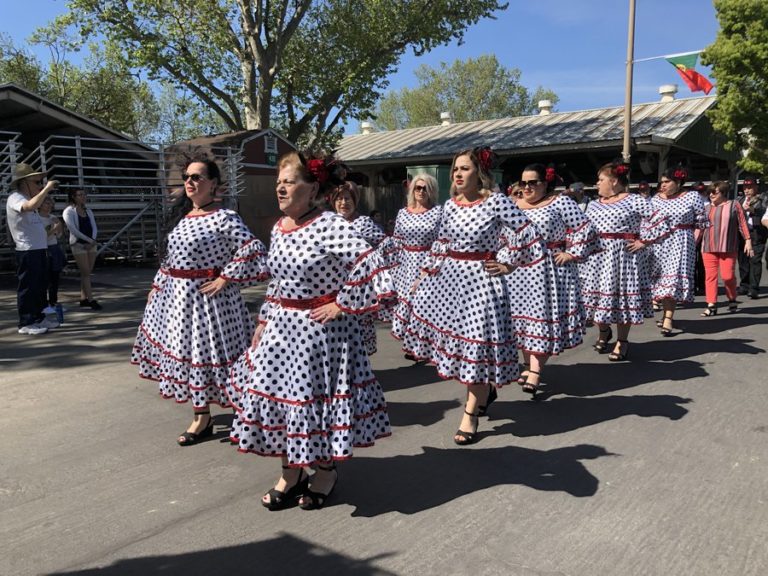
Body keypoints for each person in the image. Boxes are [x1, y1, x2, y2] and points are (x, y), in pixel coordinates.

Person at [226, 152, 393, 511]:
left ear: (313, 187)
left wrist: (342, 303)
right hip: (280, 332)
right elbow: (278, 281)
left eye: (289, 181)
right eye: (278, 183)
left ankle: (325, 471)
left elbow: (373, 262)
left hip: (320, 336)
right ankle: (291, 471)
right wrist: (263, 320)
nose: (281, 188)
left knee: (313, 404)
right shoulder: (280, 227)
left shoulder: (331, 225)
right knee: (280, 402)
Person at [395, 147, 545, 445]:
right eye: (455, 170)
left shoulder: (496, 202)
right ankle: (484, 392)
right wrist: (424, 276)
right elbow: (440, 243)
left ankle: (470, 415)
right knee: (463, 352)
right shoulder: (449, 206)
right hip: (450, 285)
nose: (458, 174)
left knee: (475, 352)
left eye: (464, 168)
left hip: (481, 286)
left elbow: (529, 233)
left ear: (480, 173)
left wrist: (509, 263)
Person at [131, 155, 268, 446]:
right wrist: (157, 287)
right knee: (192, 357)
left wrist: (225, 277)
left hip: (211, 304)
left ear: (214, 184)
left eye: (197, 177)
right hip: (179, 300)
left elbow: (253, 250)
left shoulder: (224, 217)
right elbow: (170, 260)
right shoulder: (183, 219)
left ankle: (244, 413)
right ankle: (201, 417)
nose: (190, 182)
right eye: (187, 178)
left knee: (219, 356)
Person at [509, 164, 599, 394]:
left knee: (540, 318)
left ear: (545, 183)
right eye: (523, 182)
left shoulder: (560, 202)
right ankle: (530, 365)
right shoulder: (512, 206)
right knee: (522, 322)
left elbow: (585, 228)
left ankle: (536, 371)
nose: (527, 187)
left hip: (548, 272)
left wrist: (571, 253)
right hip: (518, 272)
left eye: (533, 182)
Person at [580, 161, 669, 361]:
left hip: (623, 259)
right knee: (592, 302)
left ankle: (622, 340)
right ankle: (604, 331)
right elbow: (583, 229)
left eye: (601, 179)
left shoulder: (634, 200)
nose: (597, 183)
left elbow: (662, 222)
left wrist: (643, 242)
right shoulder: (594, 204)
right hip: (597, 259)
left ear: (614, 181)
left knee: (621, 302)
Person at [649, 166, 709, 335]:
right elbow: (647, 222)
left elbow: (702, 223)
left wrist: (693, 241)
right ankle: (665, 312)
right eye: (661, 182)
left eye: (667, 182)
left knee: (673, 282)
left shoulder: (692, 197)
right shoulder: (655, 200)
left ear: (678, 182)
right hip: (659, 244)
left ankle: (668, 317)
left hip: (681, 243)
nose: (663, 185)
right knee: (660, 282)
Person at [330, 180, 387, 355]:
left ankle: (360, 371)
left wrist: (373, 270)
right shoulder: (328, 223)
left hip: (358, 285)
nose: (343, 203)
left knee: (358, 328)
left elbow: (385, 243)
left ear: (355, 200)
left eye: (347, 198)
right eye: (339, 199)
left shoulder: (363, 222)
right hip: (334, 285)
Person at [390, 174, 443, 360]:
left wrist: (434, 265)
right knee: (408, 305)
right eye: (417, 188)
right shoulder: (403, 213)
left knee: (424, 306)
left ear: (432, 191)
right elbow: (396, 240)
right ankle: (413, 346)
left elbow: (441, 241)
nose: (421, 191)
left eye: (425, 188)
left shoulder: (438, 212)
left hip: (428, 262)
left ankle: (423, 347)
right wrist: (391, 266)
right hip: (406, 264)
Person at [5, 163, 60, 335]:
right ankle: (26, 321)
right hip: (27, 250)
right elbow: (29, 207)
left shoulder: (31, 200)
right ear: (24, 183)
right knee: (28, 286)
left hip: (38, 249)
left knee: (39, 285)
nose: (39, 186)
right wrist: (47, 190)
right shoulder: (16, 198)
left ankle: (38, 317)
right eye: (36, 182)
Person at [698, 181, 752, 316]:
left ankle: (732, 298)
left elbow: (742, 224)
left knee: (728, 276)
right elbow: (700, 228)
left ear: (723, 192)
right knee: (710, 276)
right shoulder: (705, 208)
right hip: (708, 246)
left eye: (714, 192)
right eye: (710, 192)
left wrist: (748, 240)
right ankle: (711, 305)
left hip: (728, 246)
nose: (711, 195)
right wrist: (692, 244)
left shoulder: (734, 205)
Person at [62, 188, 102, 310]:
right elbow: (74, 230)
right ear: (73, 197)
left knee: (87, 273)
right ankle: (90, 299)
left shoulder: (88, 210)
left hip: (91, 244)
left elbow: (94, 227)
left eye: (84, 194)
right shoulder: (68, 211)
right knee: (85, 272)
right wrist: (89, 241)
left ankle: (83, 298)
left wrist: (92, 240)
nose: (83, 197)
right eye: (79, 195)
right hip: (79, 245)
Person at [737, 176, 767, 299]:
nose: (747, 190)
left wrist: (752, 209)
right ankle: (744, 285)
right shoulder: (740, 200)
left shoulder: (763, 198)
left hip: (756, 233)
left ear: (756, 187)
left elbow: (764, 210)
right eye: (745, 187)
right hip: (742, 234)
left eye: (750, 187)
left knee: (755, 260)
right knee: (743, 260)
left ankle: (754, 288)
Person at [38, 196, 67, 315]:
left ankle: (53, 302)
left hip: (54, 247)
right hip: (43, 248)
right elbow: (41, 237)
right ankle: (43, 304)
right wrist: (52, 229)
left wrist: (59, 228)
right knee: (45, 278)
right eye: (46, 203)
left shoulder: (53, 217)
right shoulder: (37, 218)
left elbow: (58, 236)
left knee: (55, 278)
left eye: (51, 203)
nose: (49, 205)